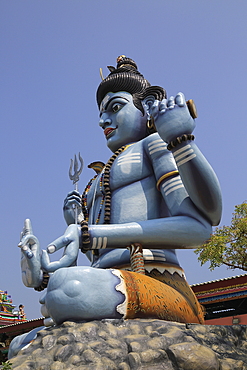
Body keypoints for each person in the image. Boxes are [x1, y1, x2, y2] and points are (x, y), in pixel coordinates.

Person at [19, 56, 222, 326]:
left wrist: (180, 140)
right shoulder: (95, 182)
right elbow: (95, 256)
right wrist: (40, 270)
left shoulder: (154, 146)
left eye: (115, 108)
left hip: (156, 279)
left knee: (69, 289)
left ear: (147, 108)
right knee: (24, 337)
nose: (103, 121)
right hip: (107, 279)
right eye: (101, 114)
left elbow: (200, 227)